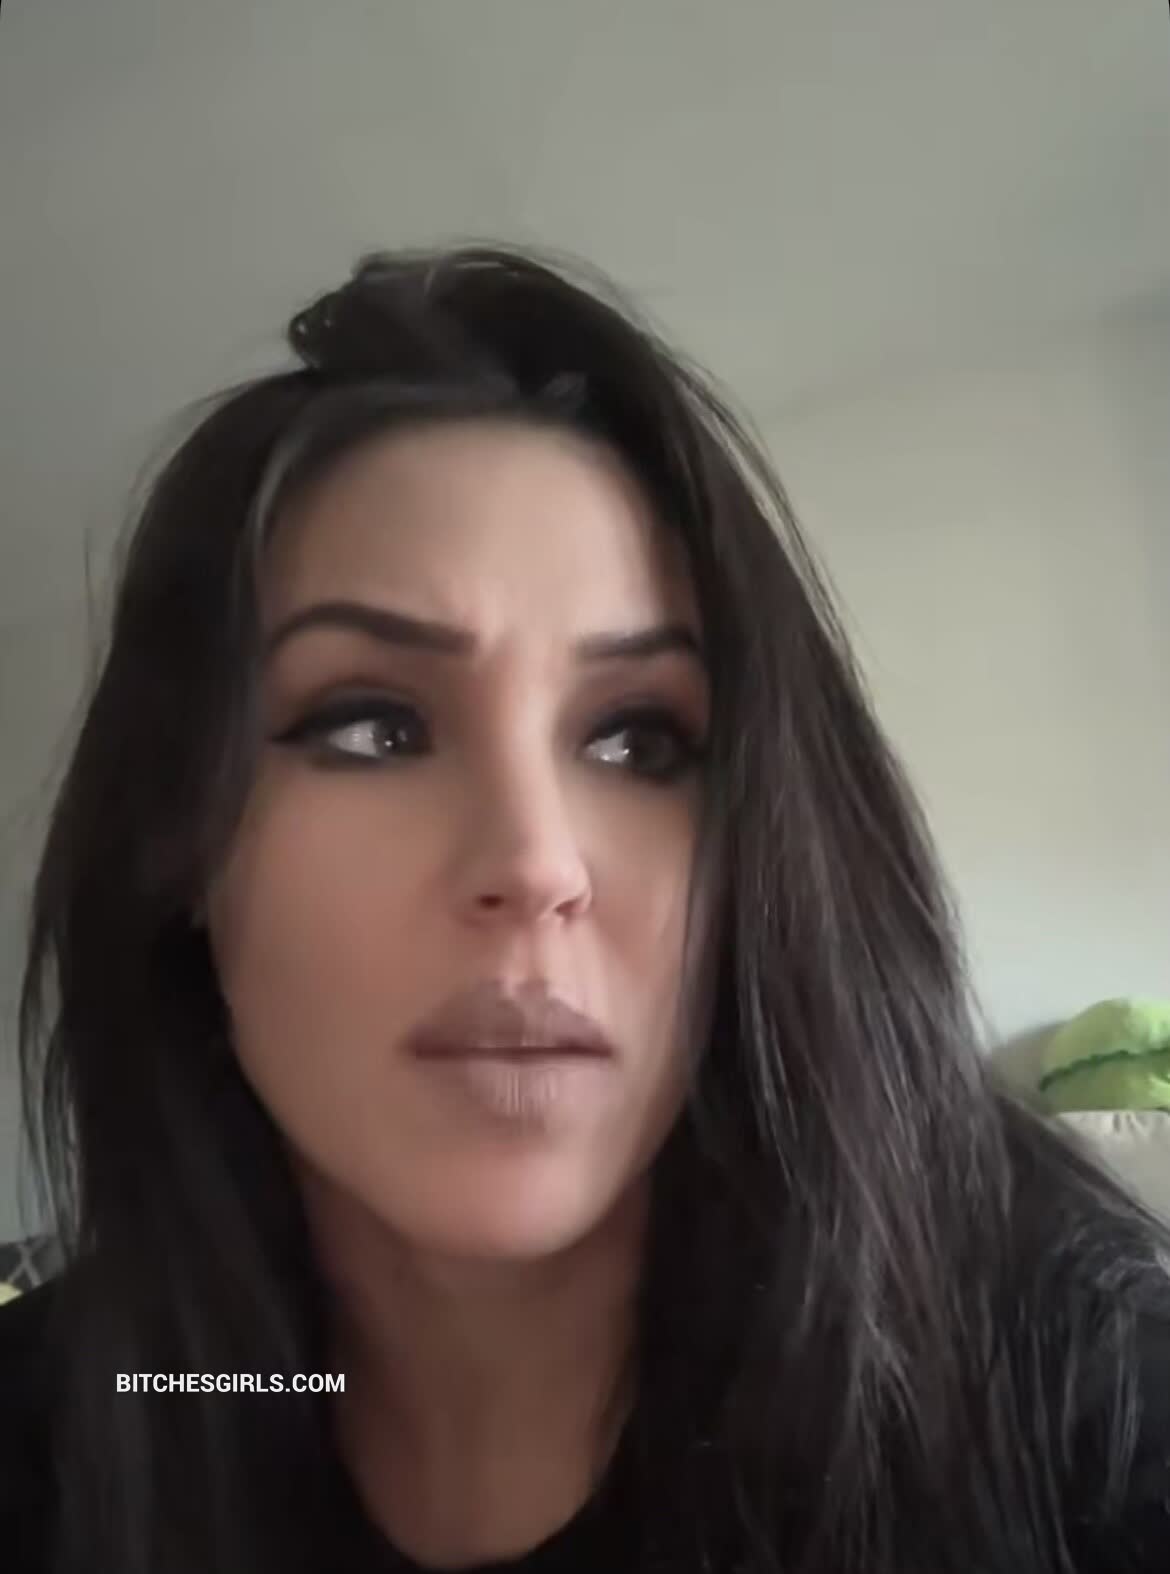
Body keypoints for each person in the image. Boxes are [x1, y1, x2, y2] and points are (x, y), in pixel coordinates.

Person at [1, 245, 1167, 1574]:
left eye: (638, 741)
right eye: (372, 727)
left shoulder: (1076, 1407)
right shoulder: (83, 1418)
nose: (536, 860)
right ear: (181, 852)